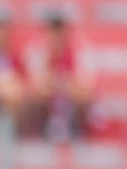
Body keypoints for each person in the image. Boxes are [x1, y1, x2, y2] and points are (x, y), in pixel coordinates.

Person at [24, 14, 97, 142]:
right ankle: (44, 127)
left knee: (81, 94)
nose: (56, 35)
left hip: (71, 98)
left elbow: (86, 85)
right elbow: (36, 84)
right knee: (38, 92)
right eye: (52, 30)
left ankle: (74, 128)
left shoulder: (79, 49)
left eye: (59, 30)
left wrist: (59, 83)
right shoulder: (38, 50)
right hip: (47, 102)